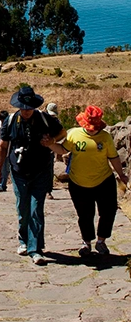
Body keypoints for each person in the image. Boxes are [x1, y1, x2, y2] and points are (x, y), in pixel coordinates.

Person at [0, 86, 66, 265]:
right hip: (19, 172)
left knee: (36, 208)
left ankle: (35, 249)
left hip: (41, 171)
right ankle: (23, 240)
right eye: (23, 108)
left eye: (29, 108)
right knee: (23, 208)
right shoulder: (11, 122)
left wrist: (52, 141)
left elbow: (62, 133)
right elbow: (3, 146)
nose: (26, 111)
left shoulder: (44, 119)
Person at [51, 106, 128, 257]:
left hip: (104, 180)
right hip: (78, 182)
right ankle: (86, 243)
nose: (92, 130)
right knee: (85, 215)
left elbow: (113, 157)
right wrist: (50, 145)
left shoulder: (105, 138)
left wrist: (121, 174)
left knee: (108, 211)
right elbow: (62, 149)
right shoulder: (74, 134)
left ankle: (101, 241)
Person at [45, 103, 59, 199]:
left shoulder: (56, 122)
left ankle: (48, 191)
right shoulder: (40, 119)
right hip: (39, 149)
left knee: (49, 170)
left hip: (50, 149)